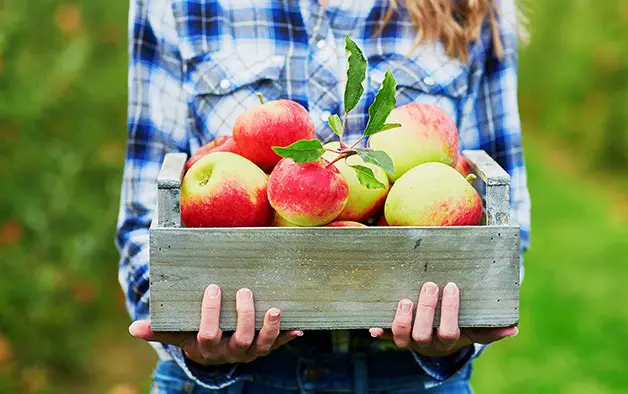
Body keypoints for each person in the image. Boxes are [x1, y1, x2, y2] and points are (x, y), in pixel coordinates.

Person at [117, 0, 531, 392]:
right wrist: (188, 331)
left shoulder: (474, 5)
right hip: (227, 384)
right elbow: (144, 216)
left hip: (406, 377)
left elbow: (502, 220)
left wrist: (458, 331)